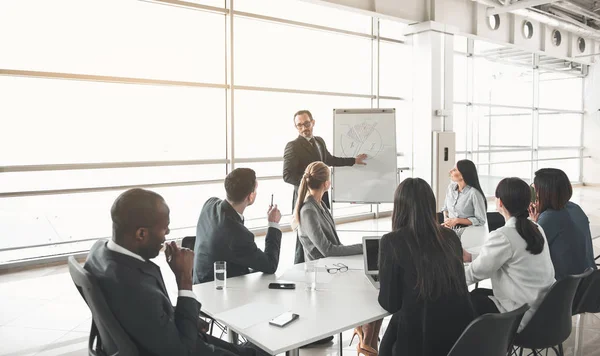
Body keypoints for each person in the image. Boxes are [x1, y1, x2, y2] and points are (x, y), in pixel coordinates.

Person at [84, 188, 261, 356]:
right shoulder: (134, 288)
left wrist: (185, 316)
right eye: (164, 227)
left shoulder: (99, 252)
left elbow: (147, 315)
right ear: (141, 234)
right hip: (180, 348)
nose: (167, 233)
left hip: (161, 336)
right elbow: (182, 351)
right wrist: (184, 278)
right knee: (260, 351)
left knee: (251, 351)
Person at [378, 178, 474, 356]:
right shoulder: (450, 237)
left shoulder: (392, 242)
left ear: (399, 207)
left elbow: (390, 303)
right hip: (457, 341)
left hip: (419, 344)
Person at [293, 161, 378, 353]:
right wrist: (363, 247)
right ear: (326, 183)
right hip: (323, 274)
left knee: (374, 281)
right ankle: (366, 336)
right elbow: (328, 250)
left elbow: (334, 246)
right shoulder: (308, 210)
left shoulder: (320, 205)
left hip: (333, 267)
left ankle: (366, 336)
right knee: (368, 288)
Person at [464, 177, 555, 332]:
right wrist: (471, 257)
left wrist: (445, 282)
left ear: (499, 203)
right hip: (546, 312)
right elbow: (508, 255)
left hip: (521, 316)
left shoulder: (503, 235)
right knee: (477, 294)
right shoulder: (536, 228)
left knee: (464, 302)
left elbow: (475, 273)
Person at [283, 109, 367, 264]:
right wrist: (309, 184)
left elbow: (329, 159)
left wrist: (353, 161)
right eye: (299, 125)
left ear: (313, 122)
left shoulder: (319, 141)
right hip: (304, 197)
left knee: (323, 234)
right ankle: (300, 269)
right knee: (305, 242)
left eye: (306, 123)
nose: (303, 128)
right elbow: (287, 175)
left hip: (320, 196)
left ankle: (331, 262)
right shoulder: (292, 146)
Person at [193, 168, 282, 284]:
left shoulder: (210, 204)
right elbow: (270, 265)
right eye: (255, 190)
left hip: (200, 281)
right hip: (220, 289)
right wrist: (273, 224)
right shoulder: (239, 234)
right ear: (250, 196)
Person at [528, 168, 596, 280]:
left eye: (536, 190)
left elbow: (530, 251)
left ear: (545, 192)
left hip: (566, 287)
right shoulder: (575, 208)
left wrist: (535, 224)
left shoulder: (549, 217)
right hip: (589, 281)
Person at [441, 159, 487, 237]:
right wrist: (446, 219)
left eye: (454, 170)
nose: (450, 171)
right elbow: (445, 208)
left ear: (463, 175)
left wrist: (457, 220)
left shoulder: (474, 193)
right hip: (450, 231)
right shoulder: (450, 188)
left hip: (468, 233)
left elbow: (481, 220)